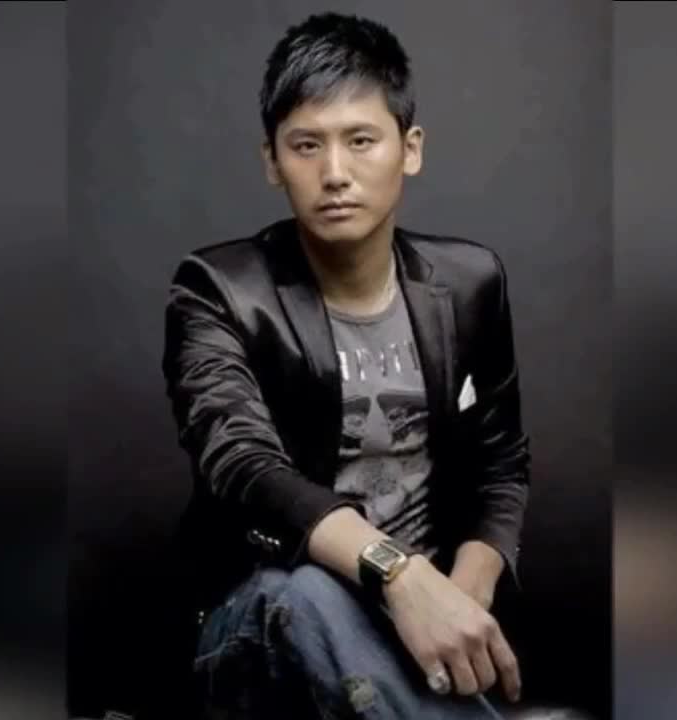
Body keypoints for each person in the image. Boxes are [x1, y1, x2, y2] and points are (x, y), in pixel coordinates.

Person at [162, 12, 543, 719]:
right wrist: (397, 573)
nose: (334, 173)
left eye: (361, 140)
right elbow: (242, 463)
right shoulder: (218, 290)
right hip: (260, 611)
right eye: (306, 145)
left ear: (410, 148)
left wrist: (458, 597)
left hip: (405, 628)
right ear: (273, 161)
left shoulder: (470, 283)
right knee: (303, 594)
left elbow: (502, 464)